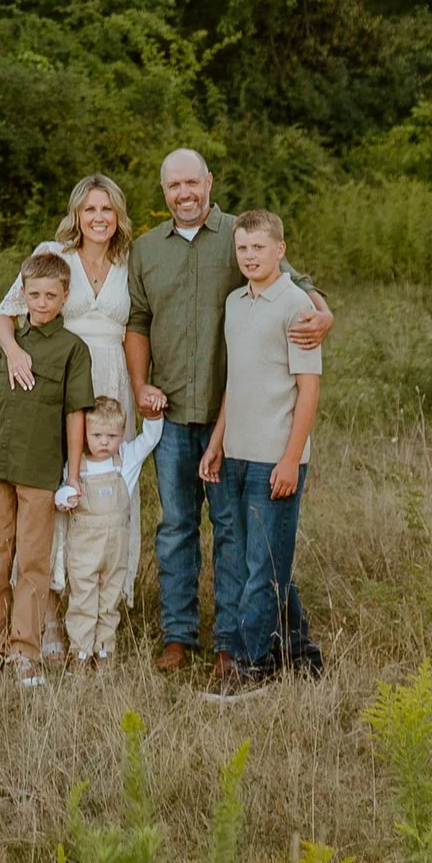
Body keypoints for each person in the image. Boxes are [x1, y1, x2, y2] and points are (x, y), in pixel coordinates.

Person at [124, 147, 332, 680]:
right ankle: (178, 634)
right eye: (174, 186)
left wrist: (323, 311)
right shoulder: (147, 250)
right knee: (175, 526)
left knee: (234, 531)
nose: (185, 194)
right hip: (171, 414)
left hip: (233, 421)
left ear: (209, 182)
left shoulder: (239, 235)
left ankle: (233, 640)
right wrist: (140, 384)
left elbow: (297, 281)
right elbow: (139, 321)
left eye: (193, 182)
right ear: (164, 191)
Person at [199, 209, 322, 694]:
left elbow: (308, 392)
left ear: (280, 251)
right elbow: (236, 381)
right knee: (257, 561)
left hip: (275, 455)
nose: (250, 256)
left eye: (259, 248)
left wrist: (291, 458)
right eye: (243, 248)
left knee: (265, 564)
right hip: (235, 452)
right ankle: (300, 653)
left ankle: (251, 667)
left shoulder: (297, 308)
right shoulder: (234, 302)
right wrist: (216, 442)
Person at [0, 246, 91, 686]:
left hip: (40, 470)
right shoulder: (10, 345)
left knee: (33, 565)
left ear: (64, 297)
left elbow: (75, 413)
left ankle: (25, 650)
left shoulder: (72, 350)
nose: (41, 303)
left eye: (50, 296)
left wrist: (72, 476)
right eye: (34, 295)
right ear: (22, 295)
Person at [0, 174, 137, 421]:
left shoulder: (131, 262)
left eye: (107, 209)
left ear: (118, 215)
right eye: (90, 209)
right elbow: (4, 314)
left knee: (108, 455)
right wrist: (14, 352)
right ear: (77, 215)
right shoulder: (54, 254)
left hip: (113, 378)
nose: (99, 218)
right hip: (61, 372)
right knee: (61, 456)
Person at [48, 392, 164, 667]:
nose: (103, 442)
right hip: (84, 552)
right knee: (83, 597)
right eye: (97, 435)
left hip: (115, 552)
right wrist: (65, 499)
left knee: (110, 598)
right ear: (85, 433)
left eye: (111, 437)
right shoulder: (76, 466)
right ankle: (80, 649)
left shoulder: (125, 461)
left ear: (121, 435)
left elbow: (150, 439)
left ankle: (104, 648)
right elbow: (60, 494)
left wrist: (154, 414)